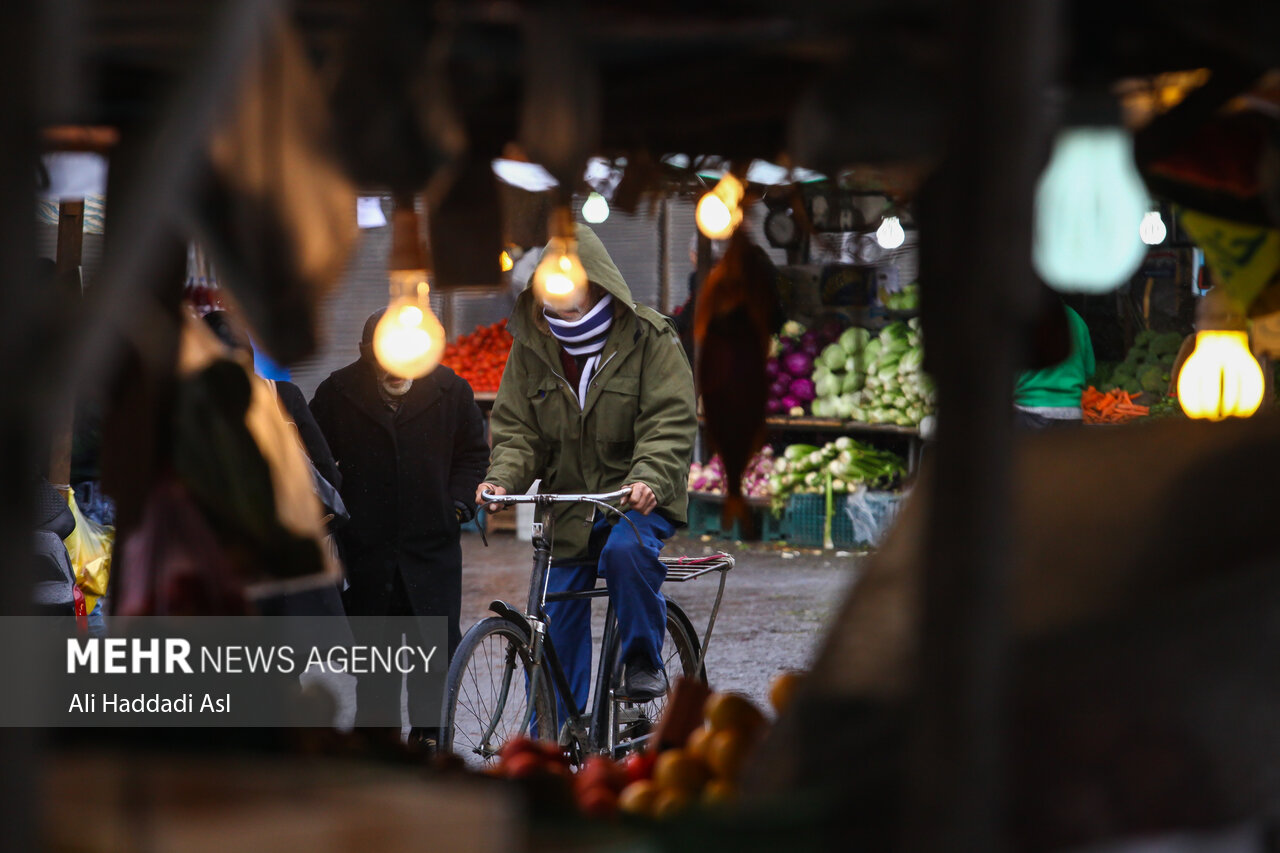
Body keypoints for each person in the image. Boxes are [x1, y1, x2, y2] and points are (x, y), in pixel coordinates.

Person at [477, 223, 697, 721]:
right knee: (555, 614)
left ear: (597, 283)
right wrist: (501, 480)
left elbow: (668, 423)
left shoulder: (650, 339)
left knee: (626, 553)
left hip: (635, 499)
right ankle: (557, 735)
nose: (561, 307)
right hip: (569, 506)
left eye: (571, 292)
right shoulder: (532, 347)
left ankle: (641, 659)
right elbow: (517, 432)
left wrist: (648, 479)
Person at [311, 309, 489, 734]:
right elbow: (312, 461)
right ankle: (379, 758)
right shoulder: (338, 393)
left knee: (432, 671)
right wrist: (331, 512)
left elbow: (473, 456)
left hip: (431, 554)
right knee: (375, 675)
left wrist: (458, 504)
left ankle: (430, 752)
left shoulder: (452, 391)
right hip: (367, 554)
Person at [1014, 288, 1096, 428]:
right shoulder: (1077, 319)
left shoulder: (1022, 318)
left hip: (1030, 411)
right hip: (1072, 413)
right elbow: (1089, 370)